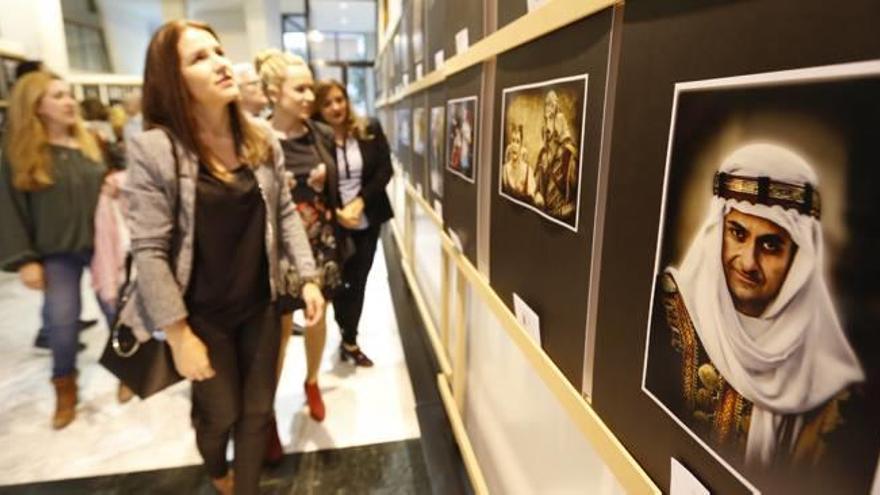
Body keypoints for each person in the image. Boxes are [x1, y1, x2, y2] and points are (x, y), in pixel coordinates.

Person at [122, 21, 323, 494]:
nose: (220, 63)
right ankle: (216, 468)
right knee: (221, 414)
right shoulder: (156, 150)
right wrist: (177, 334)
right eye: (199, 58)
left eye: (218, 50)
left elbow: (285, 212)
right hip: (200, 315)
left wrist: (309, 277)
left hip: (259, 304)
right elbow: (149, 250)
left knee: (256, 411)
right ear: (173, 81)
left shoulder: (259, 139)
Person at [653, 143, 864, 470]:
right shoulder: (665, 314)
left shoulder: (830, 387)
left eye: (770, 245)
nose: (749, 262)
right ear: (717, 232)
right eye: (737, 233)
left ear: (798, 259)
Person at [0, 71, 107, 429]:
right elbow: (10, 210)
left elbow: (114, 178)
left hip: (102, 248)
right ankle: (65, 386)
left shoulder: (90, 143)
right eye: (58, 96)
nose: (69, 101)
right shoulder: (20, 154)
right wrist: (25, 259)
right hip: (56, 252)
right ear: (37, 107)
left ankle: (132, 371)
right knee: (62, 320)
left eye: (69, 94)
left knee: (118, 310)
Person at [255, 49, 343, 428]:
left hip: (320, 241)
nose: (310, 96)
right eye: (301, 89)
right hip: (277, 247)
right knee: (278, 329)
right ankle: (267, 409)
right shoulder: (256, 137)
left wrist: (331, 185)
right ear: (275, 93)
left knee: (318, 317)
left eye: (311, 87)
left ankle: (311, 382)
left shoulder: (319, 133)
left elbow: (338, 182)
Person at [314, 79, 394, 367]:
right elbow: (310, 186)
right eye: (327, 103)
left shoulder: (368, 128)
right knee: (336, 283)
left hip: (368, 220)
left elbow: (385, 169)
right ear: (317, 109)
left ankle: (350, 338)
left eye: (339, 99)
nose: (336, 107)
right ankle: (342, 326)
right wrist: (336, 213)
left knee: (358, 281)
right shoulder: (315, 139)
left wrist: (359, 201)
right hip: (331, 225)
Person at [533, 90, 577, 218]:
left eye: (551, 118)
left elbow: (578, 201)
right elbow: (536, 188)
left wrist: (563, 212)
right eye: (546, 119)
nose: (547, 125)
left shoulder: (569, 157)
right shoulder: (543, 155)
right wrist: (536, 195)